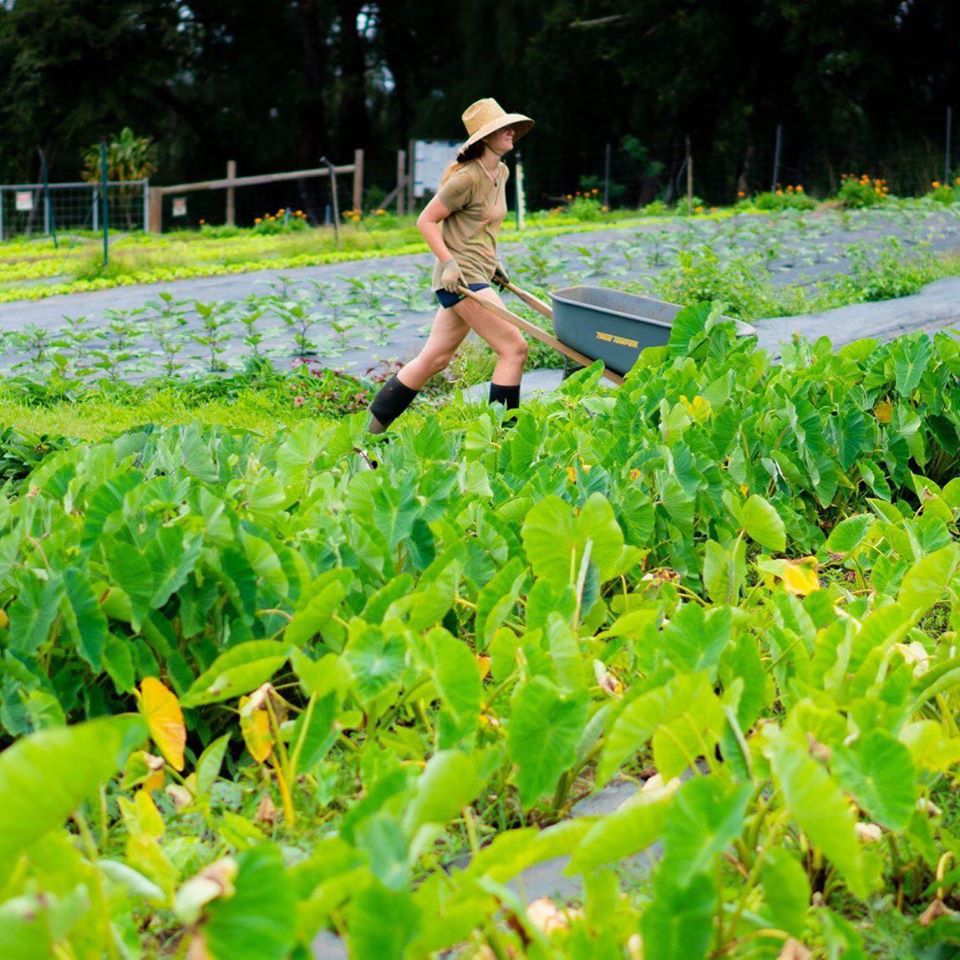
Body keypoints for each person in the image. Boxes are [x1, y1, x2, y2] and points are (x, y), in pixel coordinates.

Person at [367, 97, 534, 434]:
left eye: (511, 126)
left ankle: (368, 433)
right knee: (514, 348)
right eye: (504, 128)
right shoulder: (466, 178)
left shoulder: (499, 172)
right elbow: (426, 221)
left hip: (479, 273)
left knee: (434, 360)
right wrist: (448, 262)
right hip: (461, 280)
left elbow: (481, 226)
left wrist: (495, 262)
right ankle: (501, 438)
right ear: (486, 137)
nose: (511, 132)